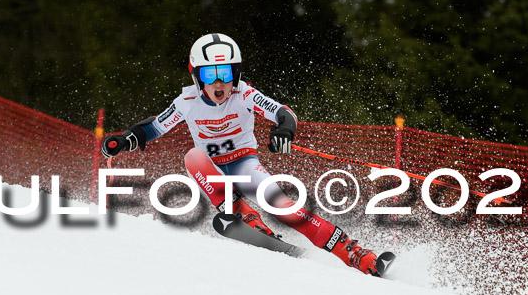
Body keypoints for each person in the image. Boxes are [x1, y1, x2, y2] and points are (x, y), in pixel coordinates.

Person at [102, 33, 381, 275]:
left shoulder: (243, 94)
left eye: (226, 72)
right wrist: (125, 140)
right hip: (211, 170)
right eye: (210, 75)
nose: (219, 82)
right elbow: (153, 127)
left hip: (244, 165)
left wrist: (284, 130)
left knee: (285, 208)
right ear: (197, 76)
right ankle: (245, 215)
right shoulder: (186, 101)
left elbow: (283, 112)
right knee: (192, 157)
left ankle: (354, 254)